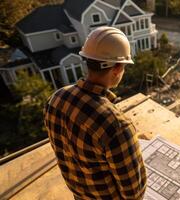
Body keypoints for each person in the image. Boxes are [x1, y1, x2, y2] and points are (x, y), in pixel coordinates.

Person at [43, 27, 147, 199]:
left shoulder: (55, 99)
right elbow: (134, 194)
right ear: (117, 68)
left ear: (88, 60)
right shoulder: (117, 127)